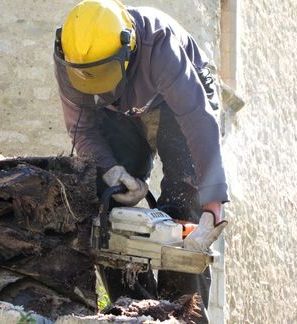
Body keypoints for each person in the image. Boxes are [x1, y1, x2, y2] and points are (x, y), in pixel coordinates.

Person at [53, 0, 228, 322]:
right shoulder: (70, 56)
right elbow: (82, 129)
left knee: (183, 201)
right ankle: (132, 307)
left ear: (127, 47)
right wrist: (112, 170)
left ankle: (180, 312)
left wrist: (213, 202)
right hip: (117, 110)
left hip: (179, 105)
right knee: (105, 203)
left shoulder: (159, 44)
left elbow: (197, 119)